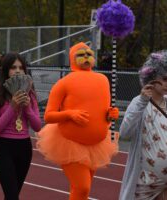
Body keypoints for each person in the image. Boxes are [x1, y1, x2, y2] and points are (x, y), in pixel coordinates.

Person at [37, 42, 119, 200]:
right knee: (82, 187)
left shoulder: (103, 80)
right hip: (70, 143)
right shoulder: (63, 83)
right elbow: (48, 116)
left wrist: (111, 114)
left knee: (81, 190)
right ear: (72, 59)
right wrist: (70, 114)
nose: (86, 57)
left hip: (97, 144)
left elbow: (104, 111)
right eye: (81, 54)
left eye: (89, 53)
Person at [119, 51, 167, 200]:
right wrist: (142, 101)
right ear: (151, 77)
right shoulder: (139, 101)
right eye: (164, 79)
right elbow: (125, 133)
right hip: (145, 181)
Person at [0, 52, 42, 200]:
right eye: (13, 67)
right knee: (12, 196)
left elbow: (38, 127)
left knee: (13, 195)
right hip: (4, 147)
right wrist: (12, 106)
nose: (17, 71)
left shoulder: (30, 95)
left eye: (21, 67)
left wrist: (27, 108)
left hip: (24, 147)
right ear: (6, 71)